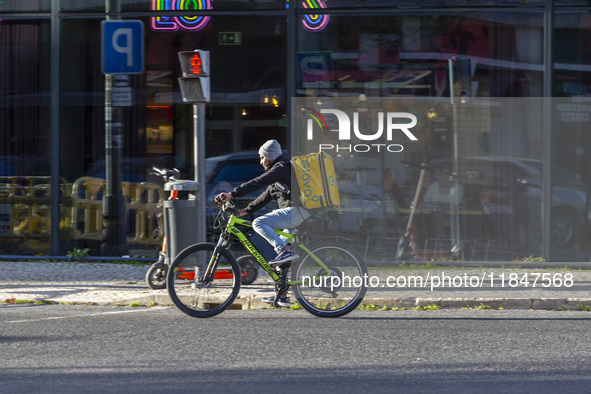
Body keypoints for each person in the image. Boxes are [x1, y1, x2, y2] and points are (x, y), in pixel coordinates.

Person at [214, 140, 310, 307]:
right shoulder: (279, 172)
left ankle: (284, 250)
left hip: (295, 212)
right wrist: (245, 211)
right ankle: (283, 295)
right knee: (282, 263)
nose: (260, 161)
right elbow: (265, 195)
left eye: (261, 157)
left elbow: (258, 182)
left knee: (258, 223)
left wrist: (232, 194)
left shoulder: (281, 168)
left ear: (269, 156)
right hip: (292, 214)